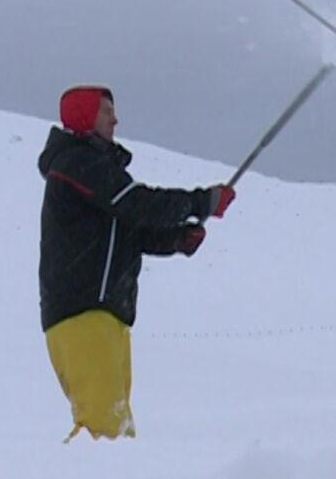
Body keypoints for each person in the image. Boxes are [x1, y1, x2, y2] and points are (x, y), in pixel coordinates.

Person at [37, 84, 236, 442]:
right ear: (84, 116)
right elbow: (136, 203)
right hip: (82, 312)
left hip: (105, 315)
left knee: (118, 429)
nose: (115, 119)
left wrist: (176, 239)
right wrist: (200, 202)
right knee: (103, 430)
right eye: (105, 110)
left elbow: (130, 231)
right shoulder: (75, 163)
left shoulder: (97, 172)